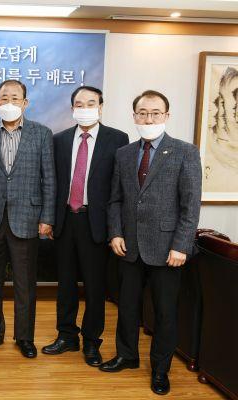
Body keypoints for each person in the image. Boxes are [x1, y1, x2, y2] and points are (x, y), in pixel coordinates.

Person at [99, 90, 202, 396]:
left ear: (167, 116)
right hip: (129, 247)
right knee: (127, 307)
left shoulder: (185, 152)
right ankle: (127, 356)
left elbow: (190, 206)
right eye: (143, 113)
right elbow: (115, 199)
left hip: (168, 249)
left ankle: (160, 370)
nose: (148, 119)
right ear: (134, 116)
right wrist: (115, 233)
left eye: (155, 113)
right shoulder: (124, 154)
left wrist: (181, 245)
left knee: (165, 313)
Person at [42, 87, 129, 366]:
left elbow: (118, 188)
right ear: (72, 109)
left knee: (94, 287)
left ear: (100, 107)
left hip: (96, 222)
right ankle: (66, 335)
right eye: (79, 104)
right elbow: (53, 182)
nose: (85, 108)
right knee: (65, 284)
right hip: (66, 220)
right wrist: (49, 218)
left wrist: (116, 228)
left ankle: (92, 341)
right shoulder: (59, 140)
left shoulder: (118, 139)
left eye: (91, 103)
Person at [0, 79, 56, 358]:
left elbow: (49, 178)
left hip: (27, 218)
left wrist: (47, 217)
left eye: (14, 97)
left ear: (25, 102)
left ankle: (25, 337)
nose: (9, 102)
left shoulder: (42, 133)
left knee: (25, 284)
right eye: (4, 97)